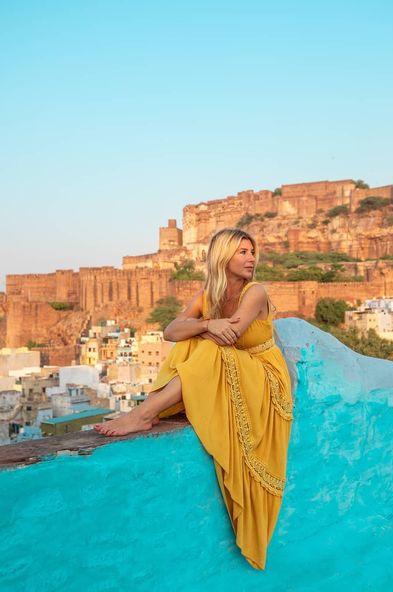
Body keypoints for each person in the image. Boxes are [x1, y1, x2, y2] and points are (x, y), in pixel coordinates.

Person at [95, 228, 293, 570]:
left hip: (264, 375)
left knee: (207, 346)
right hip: (235, 368)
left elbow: (231, 333)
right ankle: (155, 407)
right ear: (223, 257)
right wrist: (205, 324)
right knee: (193, 340)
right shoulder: (210, 294)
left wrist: (207, 326)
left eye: (252, 252)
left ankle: (146, 412)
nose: (251, 258)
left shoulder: (255, 292)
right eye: (242, 252)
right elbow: (171, 331)